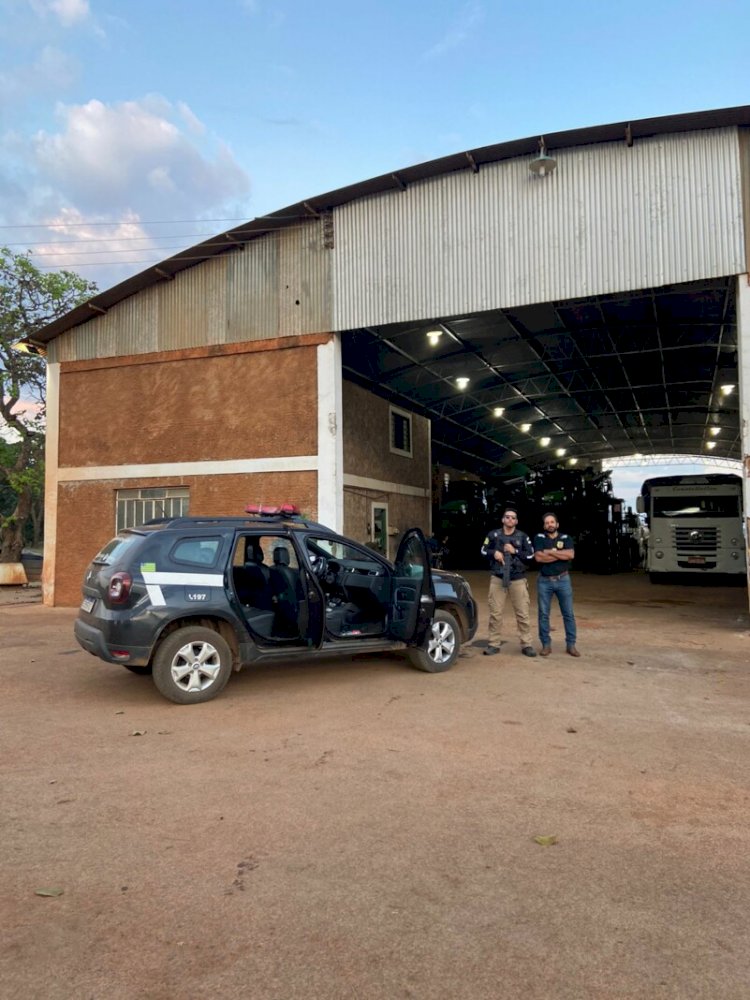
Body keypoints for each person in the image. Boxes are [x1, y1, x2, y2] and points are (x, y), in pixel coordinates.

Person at [480, 509, 537, 657]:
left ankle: (526, 644)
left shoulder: (522, 536)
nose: (510, 520)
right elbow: (483, 551)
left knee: (522, 613)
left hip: (517, 579)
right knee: (495, 613)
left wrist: (515, 551)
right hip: (498, 579)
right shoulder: (493, 535)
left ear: (516, 521)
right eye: (507, 517)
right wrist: (494, 553)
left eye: (513, 518)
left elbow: (531, 556)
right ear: (503, 519)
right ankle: (493, 644)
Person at [533, 512, 580, 657]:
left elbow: (570, 555)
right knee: (543, 615)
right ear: (544, 525)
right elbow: (539, 558)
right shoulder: (539, 538)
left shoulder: (566, 538)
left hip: (563, 580)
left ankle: (571, 645)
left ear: (557, 524)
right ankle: (546, 645)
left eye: (552, 522)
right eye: (547, 522)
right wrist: (559, 554)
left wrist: (549, 552)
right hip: (545, 581)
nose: (550, 524)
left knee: (568, 614)